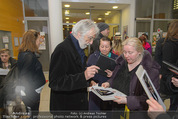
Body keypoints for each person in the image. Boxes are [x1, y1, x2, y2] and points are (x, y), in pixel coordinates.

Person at [49, 19, 100, 111]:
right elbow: (55, 82)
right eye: (90, 38)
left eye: (93, 38)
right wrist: (83, 76)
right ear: (79, 34)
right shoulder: (62, 50)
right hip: (65, 107)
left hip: (77, 104)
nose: (91, 42)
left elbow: (75, 71)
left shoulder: (79, 47)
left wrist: (89, 81)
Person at [102, 37, 160, 118]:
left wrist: (127, 100)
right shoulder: (122, 63)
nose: (126, 56)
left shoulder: (150, 71)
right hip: (117, 109)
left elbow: (150, 99)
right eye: (124, 52)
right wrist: (108, 83)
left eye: (130, 52)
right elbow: (115, 78)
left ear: (139, 52)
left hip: (135, 114)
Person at [18, 29, 46, 113]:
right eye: (38, 40)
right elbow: (24, 77)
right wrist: (32, 96)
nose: (39, 42)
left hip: (31, 94)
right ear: (33, 41)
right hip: (31, 96)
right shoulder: (28, 56)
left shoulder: (24, 54)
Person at [87, 36, 118, 110]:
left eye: (107, 47)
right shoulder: (93, 57)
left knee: (108, 112)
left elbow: (120, 75)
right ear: (99, 46)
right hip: (95, 90)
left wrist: (113, 74)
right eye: (102, 46)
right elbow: (86, 72)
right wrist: (91, 81)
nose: (104, 49)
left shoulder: (116, 59)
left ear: (111, 47)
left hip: (109, 90)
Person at [160, 20, 178, 111]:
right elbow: (167, 63)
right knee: (173, 105)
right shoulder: (170, 44)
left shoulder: (167, 43)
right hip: (171, 79)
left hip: (169, 78)